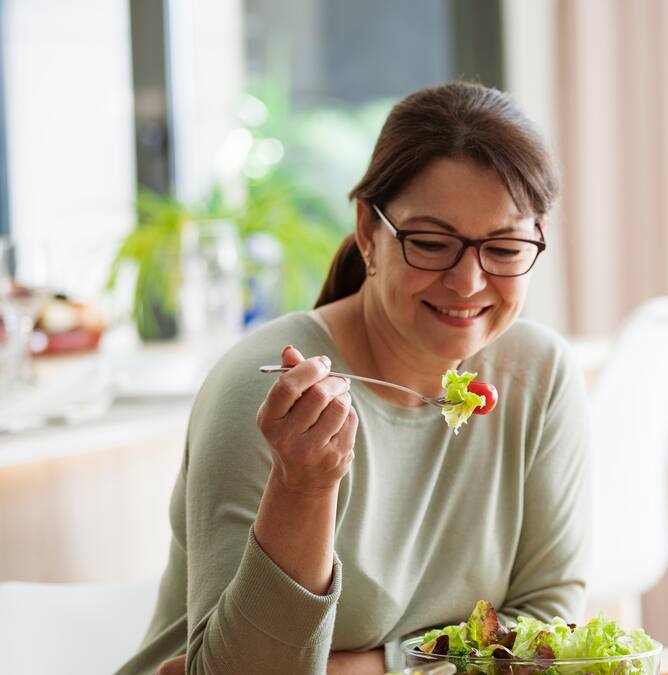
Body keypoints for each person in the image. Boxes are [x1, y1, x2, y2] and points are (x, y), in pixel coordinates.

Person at [117, 82, 591, 675]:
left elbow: (549, 625)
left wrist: (368, 668)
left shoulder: (537, 375)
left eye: (503, 247)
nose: (468, 282)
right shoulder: (272, 394)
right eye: (431, 243)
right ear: (370, 230)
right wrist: (305, 488)